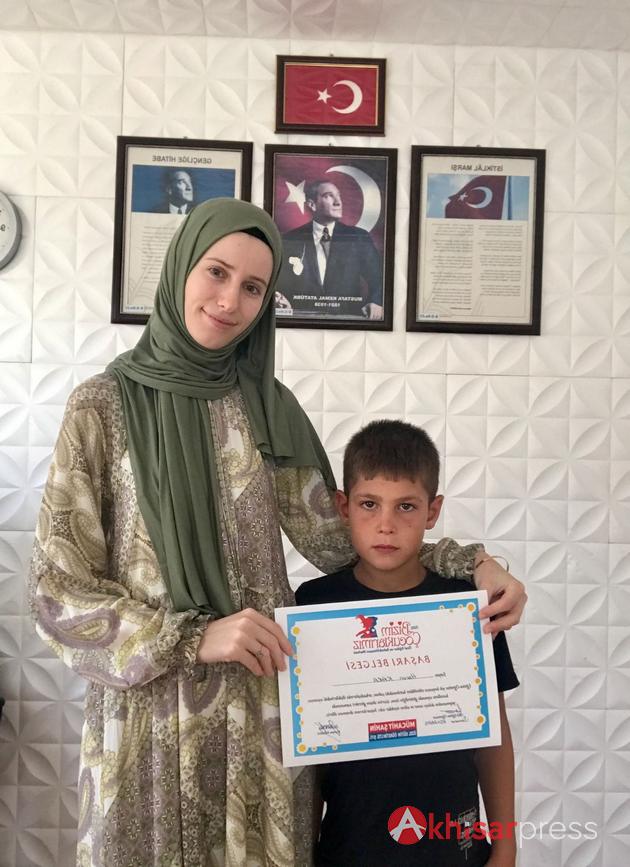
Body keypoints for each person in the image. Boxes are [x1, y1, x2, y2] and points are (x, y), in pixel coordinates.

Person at [29, 198, 525, 867]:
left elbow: (347, 540)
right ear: (180, 267)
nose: (230, 300)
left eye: (254, 287)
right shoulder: (102, 406)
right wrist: (194, 636)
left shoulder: (267, 406)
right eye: (217, 272)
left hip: (259, 720)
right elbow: (58, 592)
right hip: (148, 721)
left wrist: (472, 564)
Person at [296, 420, 518, 867]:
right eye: (369, 504)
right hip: (348, 845)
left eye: (406, 507)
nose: (386, 525)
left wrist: (506, 844)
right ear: (343, 507)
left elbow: (494, 737)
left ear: (432, 512)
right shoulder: (313, 605)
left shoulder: (466, 604)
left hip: (453, 845)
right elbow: (308, 747)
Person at [277, 180, 384, 319]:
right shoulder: (289, 239)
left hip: (348, 320)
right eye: (329, 196)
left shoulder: (358, 237)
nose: (338, 202)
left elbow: (379, 277)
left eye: (338, 196)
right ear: (312, 204)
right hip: (301, 320)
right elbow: (278, 283)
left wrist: (376, 301)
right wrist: (280, 301)